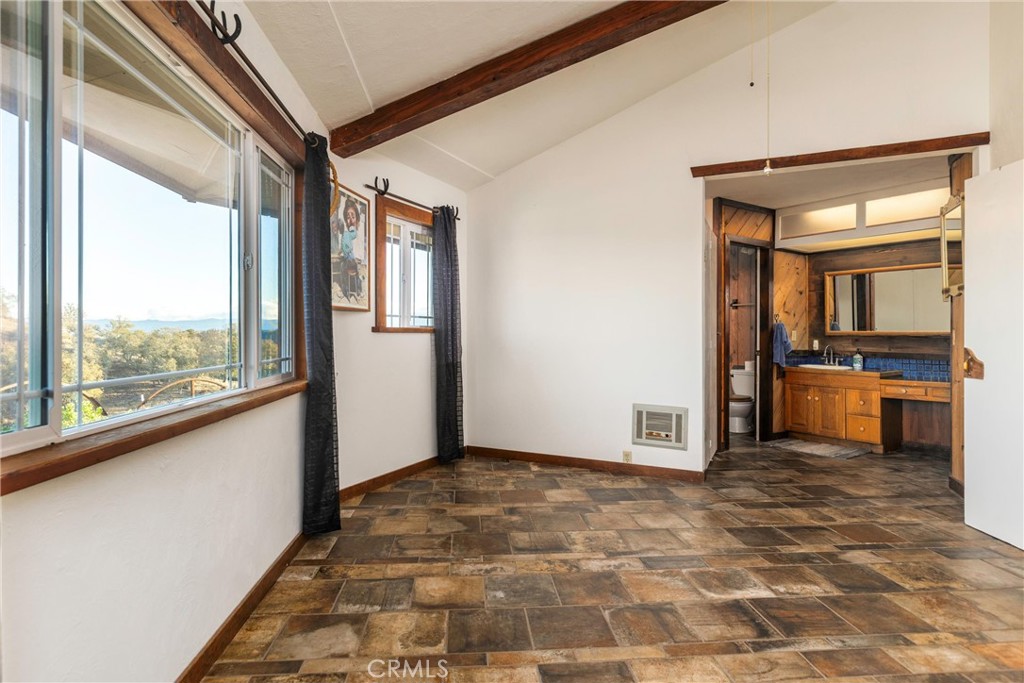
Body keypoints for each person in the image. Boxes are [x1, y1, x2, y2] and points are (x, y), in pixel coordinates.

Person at [340, 199, 362, 299]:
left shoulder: (358, 235)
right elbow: (344, 247)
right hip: (348, 260)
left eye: (353, 216)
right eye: (348, 217)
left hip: (356, 262)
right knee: (342, 266)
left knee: (357, 269)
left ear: (357, 218)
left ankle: (358, 290)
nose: (351, 220)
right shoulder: (346, 234)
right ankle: (345, 291)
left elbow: (361, 255)